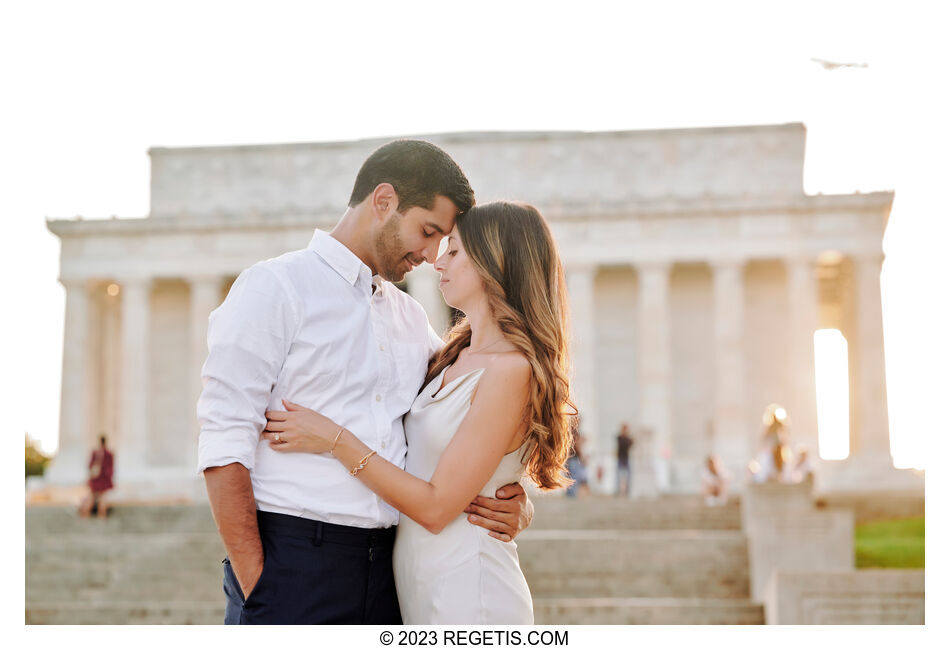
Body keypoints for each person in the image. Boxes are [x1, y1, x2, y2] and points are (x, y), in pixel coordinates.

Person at [197, 141, 534, 625]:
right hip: (295, 564)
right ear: (383, 202)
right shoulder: (274, 288)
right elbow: (223, 441)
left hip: (393, 576)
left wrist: (511, 500)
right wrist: (259, 586)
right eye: (428, 230)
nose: (432, 253)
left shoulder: (411, 318)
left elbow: (467, 419)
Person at [264, 201, 574, 624]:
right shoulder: (448, 353)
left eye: (454, 251)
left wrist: (334, 439)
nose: (436, 261)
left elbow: (434, 508)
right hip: (418, 586)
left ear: (493, 263)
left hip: (470, 590)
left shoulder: (512, 370)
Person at [79, 435, 113, 518]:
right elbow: (110, 468)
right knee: (102, 499)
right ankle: (101, 516)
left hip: (95, 479)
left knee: (91, 497)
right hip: (104, 479)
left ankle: (85, 515)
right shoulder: (108, 454)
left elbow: (90, 466)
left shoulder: (95, 453)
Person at [565, 417, 590, 498]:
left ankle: (570, 495)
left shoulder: (568, 431)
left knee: (569, 478)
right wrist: (582, 457)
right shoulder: (575, 432)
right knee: (573, 478)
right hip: (574, 458)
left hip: (568, 458)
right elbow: (577, 446)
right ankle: (571, 496)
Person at [615, 422, 634, 497]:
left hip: (626, 458)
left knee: (628, 476)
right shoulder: (619, 437)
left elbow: (631, 443)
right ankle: (617, 490)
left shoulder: (627, 438)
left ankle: (627, 491)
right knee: (618, 476)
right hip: (620, 458)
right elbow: (622, 442)